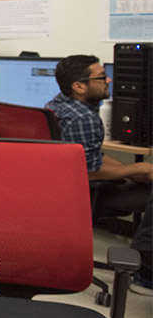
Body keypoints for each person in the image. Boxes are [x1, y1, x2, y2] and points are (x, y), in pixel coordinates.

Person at [47, 55, 152, 290]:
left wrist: (133, 172)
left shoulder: (57, 105)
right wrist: (138, 168)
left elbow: (92, 156)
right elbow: (86, 171)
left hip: (59, 190)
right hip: (86, 194)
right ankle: (145, 274)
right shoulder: (83, 118)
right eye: (102, 77)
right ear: (79, 86)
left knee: (143, 177)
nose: (109, 80)